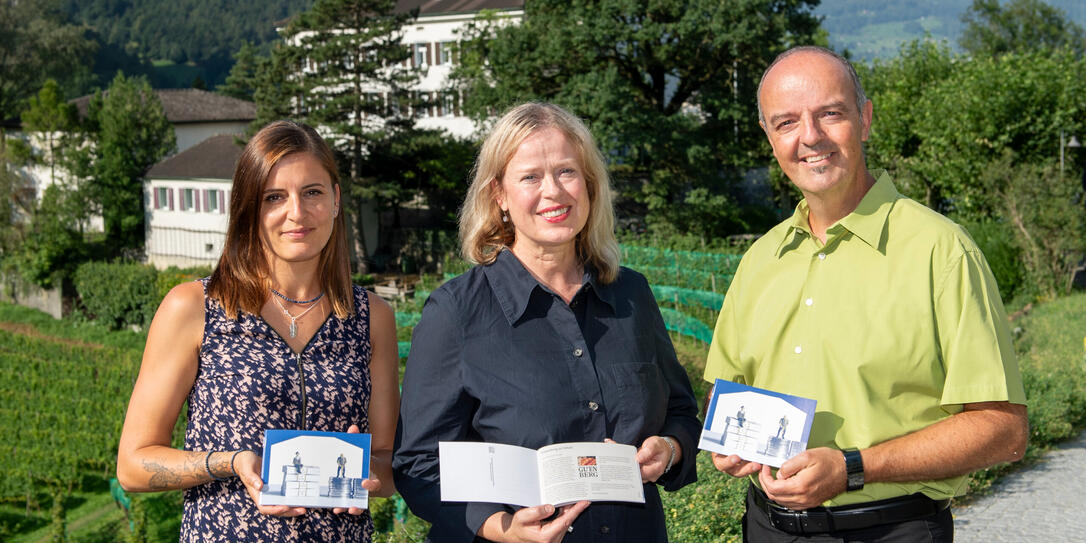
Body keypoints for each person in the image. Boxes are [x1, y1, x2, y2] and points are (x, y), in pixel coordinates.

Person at [704, 46, 1028, 541]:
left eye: (830, 114)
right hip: (767, 528)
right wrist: (731, 440)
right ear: (770, 139)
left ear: (865, 119)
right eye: (786, 122)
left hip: (892, 530)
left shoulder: (941, 251)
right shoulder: (759, 260)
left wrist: (853, 467)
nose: (810, 137)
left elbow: (1003, 431)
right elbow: (725, 391)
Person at [393, 102, 701, 542]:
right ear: (499, 194)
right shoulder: (457, 312)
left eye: (566, 172)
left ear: (589, 186)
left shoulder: (631, 295)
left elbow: (681, 412)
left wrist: (668, 449)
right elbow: (420, 462)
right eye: (530, 177)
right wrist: (501, 527)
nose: (553, 191)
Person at [116, 120, 400, 542]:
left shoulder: (372, 316)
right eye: (274, 197)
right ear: (250, 208)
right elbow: (133, 466)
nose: (297, 213)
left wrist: (362, 471)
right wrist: (228, 463)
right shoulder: (195, 308)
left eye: (313, 193)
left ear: (337, 200)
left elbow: (392, 468)